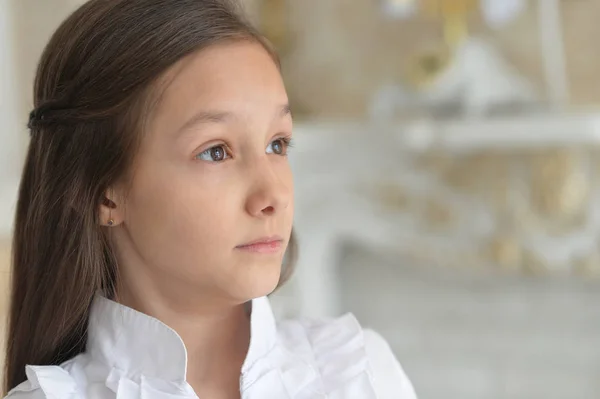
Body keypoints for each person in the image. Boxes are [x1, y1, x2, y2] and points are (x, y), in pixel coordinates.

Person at [3, 1, 418, 398]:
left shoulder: (361, 373)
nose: (271, 196)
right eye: (215, 151)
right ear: (105, 193)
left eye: (278, 143)